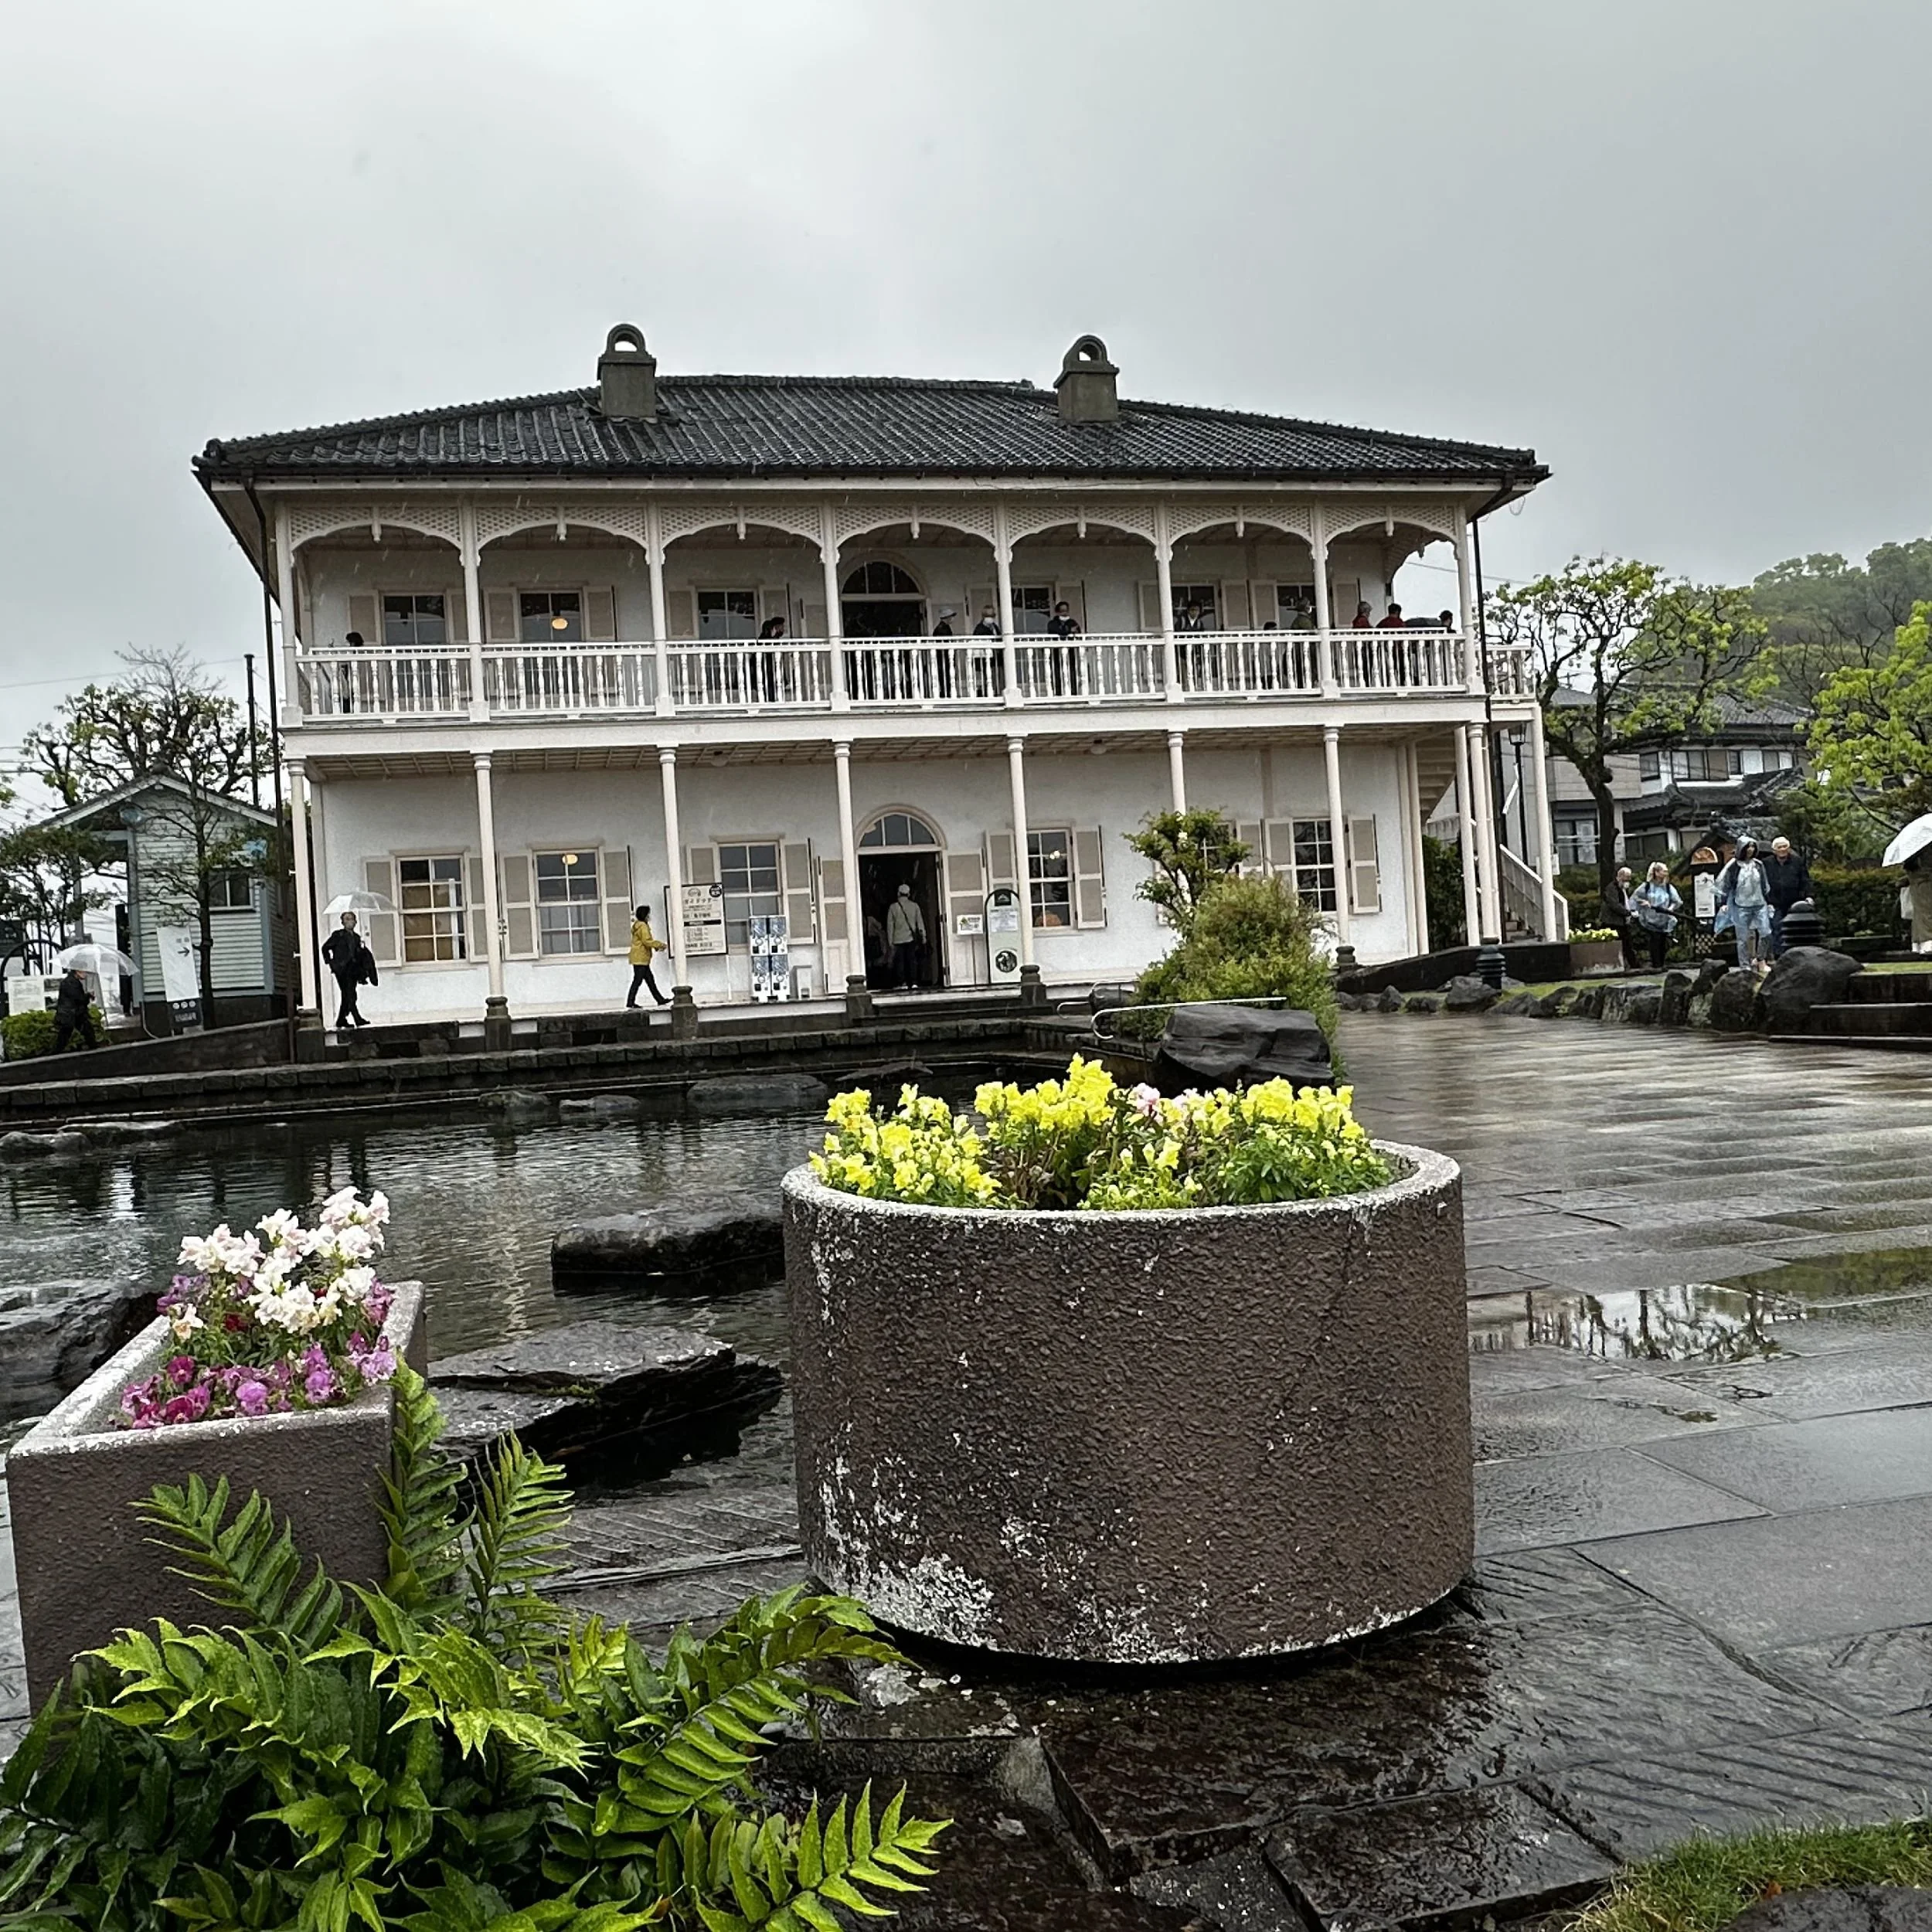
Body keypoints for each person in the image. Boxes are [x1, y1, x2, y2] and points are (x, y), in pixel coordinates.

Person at [1715, 838, 1774, 974]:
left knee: (1766, 932)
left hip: (1759, 903)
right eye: (1748, 847)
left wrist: (1769, 901)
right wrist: (1723, 903)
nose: (1750, 850)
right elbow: (1726, 885)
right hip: (1741, 905)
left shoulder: (1759, 865)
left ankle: (1760, 959)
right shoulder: (1734, 866)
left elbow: (1764, 884)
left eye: (1753, 847)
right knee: (1742, 938)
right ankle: (1744, 965)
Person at [321, 910, 377, 1029]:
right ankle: (357, 1018)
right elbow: (325, 948)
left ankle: (341, 1019)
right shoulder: (338, 935)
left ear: (355, 922)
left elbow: (358, 954)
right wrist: (331, 962)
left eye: (352, 919)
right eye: (347, 919)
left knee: (349, 994)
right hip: (341, 969)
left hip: (353, 970)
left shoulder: (356, 938)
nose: (350, 922)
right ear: (343, 922)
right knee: (349, 994)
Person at [1629, 862, 1682, 971]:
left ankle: (1661, 964)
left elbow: (1676, 901)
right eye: (1664, 871)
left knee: (1663, 942)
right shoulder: (1646, 887)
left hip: (1664, 919)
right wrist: (1643, 903)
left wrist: (1670, 909)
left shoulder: (1668, 887)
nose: (1666, 873)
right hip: (1650, 919)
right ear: (1656, 872)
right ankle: (1656, 965)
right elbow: (1635, 898)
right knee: (1655, 940)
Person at [1764, 836, 1812, 954]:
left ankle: (1796, 953)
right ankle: (1779, 955)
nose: (1782, 849)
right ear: (1774, 850)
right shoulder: (1766, 863)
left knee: (1794, 929)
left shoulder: (1798, 861)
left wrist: (1809, 896)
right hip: (1775, 902)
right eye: (1779, 847)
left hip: (1794, 901)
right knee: (1776, 928)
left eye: (1785, 846)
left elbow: (1805, 880)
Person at [625, 905, 670, 1007]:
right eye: (648, 914)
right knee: (638, 981)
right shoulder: (643, 926)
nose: (649, 916)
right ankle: (630, 1002)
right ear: (645, 915)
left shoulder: (638, 925)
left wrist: (655, 946)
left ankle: (660, 999)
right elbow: (646, 941)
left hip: (639, 957)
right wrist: (659, 945)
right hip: (641, 957)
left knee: (650, 980)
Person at [884, 883, 926, 990]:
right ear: (909, 894)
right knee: (912, 960)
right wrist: (923, 936)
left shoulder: (893, 907)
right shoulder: (915, 906)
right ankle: (914, 982)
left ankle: (902, 983)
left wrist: (890, 941)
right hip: (911, 938)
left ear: (898, 893)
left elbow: (890, 925)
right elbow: (920, 922)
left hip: (897, 939)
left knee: (900, 962)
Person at [53, 967, 96, 1052]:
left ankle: (94, 1049)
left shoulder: (70, 981)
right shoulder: (72, 983)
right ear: (77, 971)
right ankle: (54, 1055)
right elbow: (79, 999)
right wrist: (89, 995)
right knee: (65, 1036)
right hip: (72, 1014)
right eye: (84, 971)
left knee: (87, 1031)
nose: (85, 974)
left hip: (72, 1014)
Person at [1603, 864, 1638, 968]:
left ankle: (1633, 965)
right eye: (1626, 878)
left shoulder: (1622, 889)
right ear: (1620, 877)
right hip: (1613, 922)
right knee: (1623, 945)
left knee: (1627, 945)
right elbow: (1614, 905)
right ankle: (1631, 965)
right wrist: (1628, 913)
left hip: (1622, 922)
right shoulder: (1612, 888)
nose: (1628, 881)